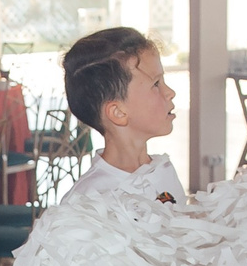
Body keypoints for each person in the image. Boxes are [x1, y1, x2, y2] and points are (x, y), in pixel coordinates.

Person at [53, 26, 184, 215]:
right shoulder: (89, 201)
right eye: (156, 84)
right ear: (118, 113)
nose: (170, 93)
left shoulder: (162, 171)